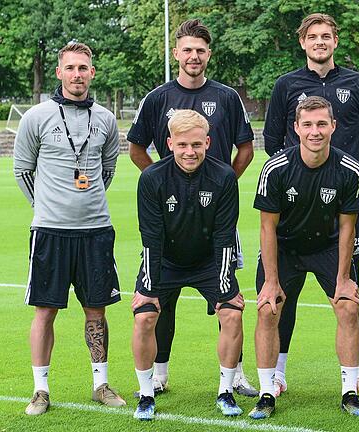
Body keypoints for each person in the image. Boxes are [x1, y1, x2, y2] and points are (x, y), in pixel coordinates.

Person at [127, 19, 257, 397]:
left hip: (215, 217)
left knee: (226, 294)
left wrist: (220, 185)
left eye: (200, 50)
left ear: (208, 55)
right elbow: (136, 148)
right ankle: (160, 374)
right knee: (160, 301)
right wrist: (164, 184)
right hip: (169, 220)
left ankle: (237, 374)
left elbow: (245, 148)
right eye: (187, 49)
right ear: (176, 54)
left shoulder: (228, 97)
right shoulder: (157, 98)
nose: (194, 56)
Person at [262, 12, 359, 397]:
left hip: (341, 198)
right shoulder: (286, 85)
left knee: (350, 289)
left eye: (326, 36)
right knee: (285, 294)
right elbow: (272, 139)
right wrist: (303, 174)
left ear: (335, 40)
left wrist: (343, 172)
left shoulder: (356, 83)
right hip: (296, 202)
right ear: (303, 42)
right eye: (312, 36)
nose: (319, 42)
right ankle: (277, 373)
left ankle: (357, 372)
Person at [13, 42, 125, 416]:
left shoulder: (107, 119)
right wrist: (48, 205)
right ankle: (40, 389)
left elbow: (107, 171)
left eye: (84, 68)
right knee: (45, 311)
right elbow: (23, 170)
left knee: (97, 311)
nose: (77, 74)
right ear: (59, 72)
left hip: (96, 230)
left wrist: (84, 202)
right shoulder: (36, 117)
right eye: (71, 68)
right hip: (50, 231)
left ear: (93, 73)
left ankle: (100, 383)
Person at [249, 96, 359, 419]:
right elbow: (267, 228)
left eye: (321, 124)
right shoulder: (276, 168)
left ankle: (349, 391)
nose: (314, 131)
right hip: (285, 246)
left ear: (333, 126)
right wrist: (271, 282)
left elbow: (348, 229)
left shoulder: (350, 169)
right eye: (307, 125)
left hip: (327, 247)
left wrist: (344, 279)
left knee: (348, 307)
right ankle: (266, 392)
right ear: (296, 128)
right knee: (268, 310)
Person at [130, 109, 246, 420]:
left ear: (207, 142)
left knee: (232, 314)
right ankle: (145, 395)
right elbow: (150, 237)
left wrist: (225, 287)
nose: (189, 152)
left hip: (209, 260)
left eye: (196, 144)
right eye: (182, 145)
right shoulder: (152, 178)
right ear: (169, 143)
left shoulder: (223, 177)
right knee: (144, 317)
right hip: (165, 259)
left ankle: (226, 391)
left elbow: (224, 236)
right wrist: (150, 289)